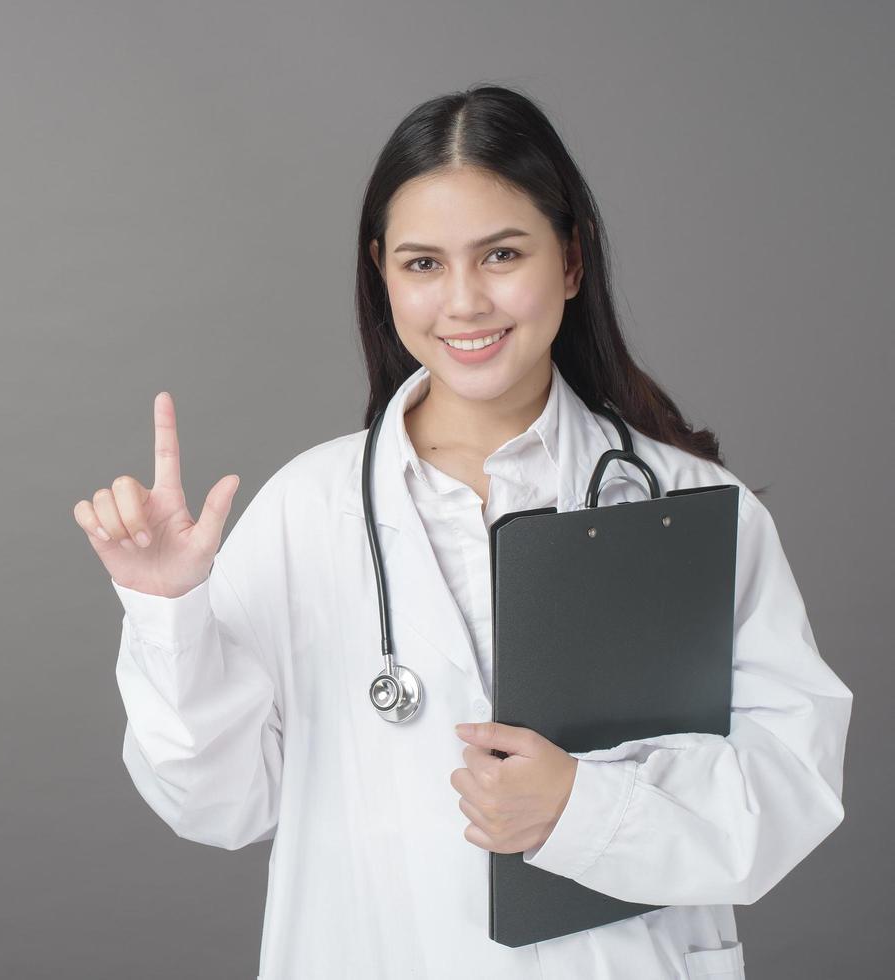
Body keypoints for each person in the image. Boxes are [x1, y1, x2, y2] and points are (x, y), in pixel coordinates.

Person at [71, 84, 851, 980]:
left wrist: (584, 811)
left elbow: (792, 784)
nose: (465, 302)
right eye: (423, 264)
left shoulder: (685, 504)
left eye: (502, 254)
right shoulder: (308, 509)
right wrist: (171, 612)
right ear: (382, 274)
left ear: (570, 260)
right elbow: (217, 805)